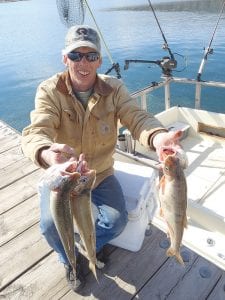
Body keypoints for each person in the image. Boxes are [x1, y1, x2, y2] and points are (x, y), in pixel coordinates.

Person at [21, 25, 183, 292]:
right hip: (64, 177)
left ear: (99, 60)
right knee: (50, 226)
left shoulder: (115, 89)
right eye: (75, 56)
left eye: (90, 55)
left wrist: (158, 137)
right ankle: (69, 261)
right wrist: (46, 153)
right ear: (65, 59)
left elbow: (137, 117)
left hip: (100, 173)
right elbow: (36, 131)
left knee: (116, 221)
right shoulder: (49, 90)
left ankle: (87, 245)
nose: (83, 62)